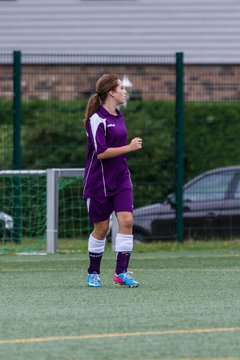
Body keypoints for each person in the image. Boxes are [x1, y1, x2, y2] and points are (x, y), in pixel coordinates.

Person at [83, 74, 142, 288]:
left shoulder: (119, 116)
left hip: (121, 179)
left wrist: (127, 150)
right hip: (99, 183)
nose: (125, 91)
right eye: (121, 88)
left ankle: (121, 273)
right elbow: (101, 153)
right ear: (111, 92)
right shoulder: (96, 119)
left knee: (126, 221)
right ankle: (93, 273)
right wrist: (130, 147)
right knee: (102, 228)